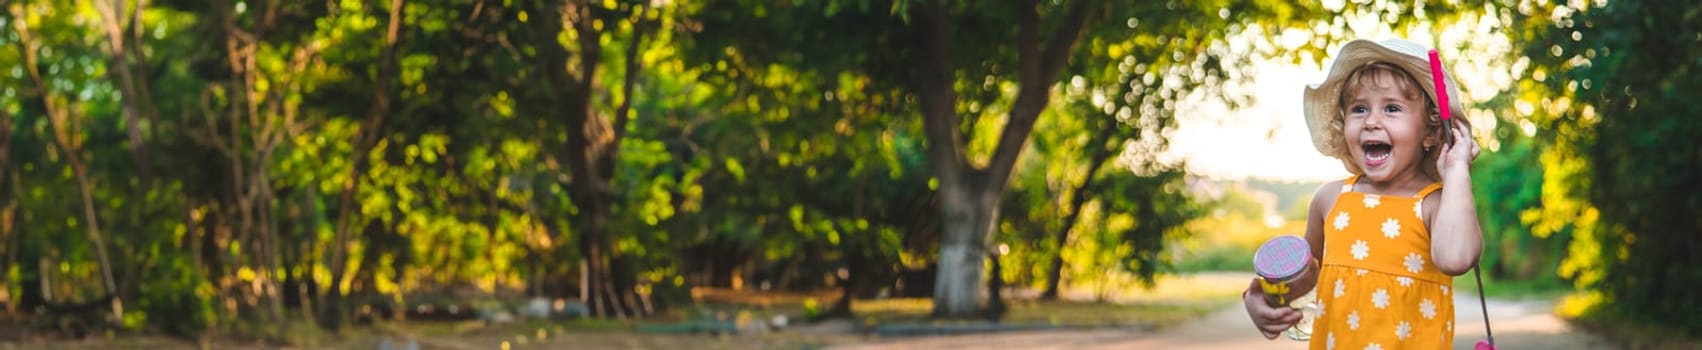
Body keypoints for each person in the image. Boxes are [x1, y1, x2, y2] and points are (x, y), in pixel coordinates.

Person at [1242, 38, 1484, 349]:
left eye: (1392, 108)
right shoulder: (1330, 200)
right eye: (1359, 109)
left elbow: (1457, 258)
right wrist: (1256, 298)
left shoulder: (1434, 204)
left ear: (1432, 132)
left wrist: (1457, 171)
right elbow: (1299, 278)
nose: (1371, 121)